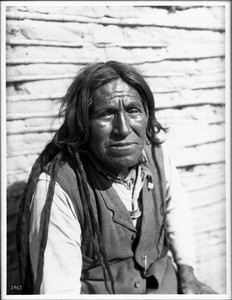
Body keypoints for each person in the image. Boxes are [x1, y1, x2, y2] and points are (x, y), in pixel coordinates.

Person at [17, 61, 216, 295]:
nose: (123, 128)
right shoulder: (59, 187)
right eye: (106, 114)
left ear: (147, 116)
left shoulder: (157, 156)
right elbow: (58, 291)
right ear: (83, 125)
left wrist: (187, 273)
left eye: (133, 110)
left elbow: (176, 207)